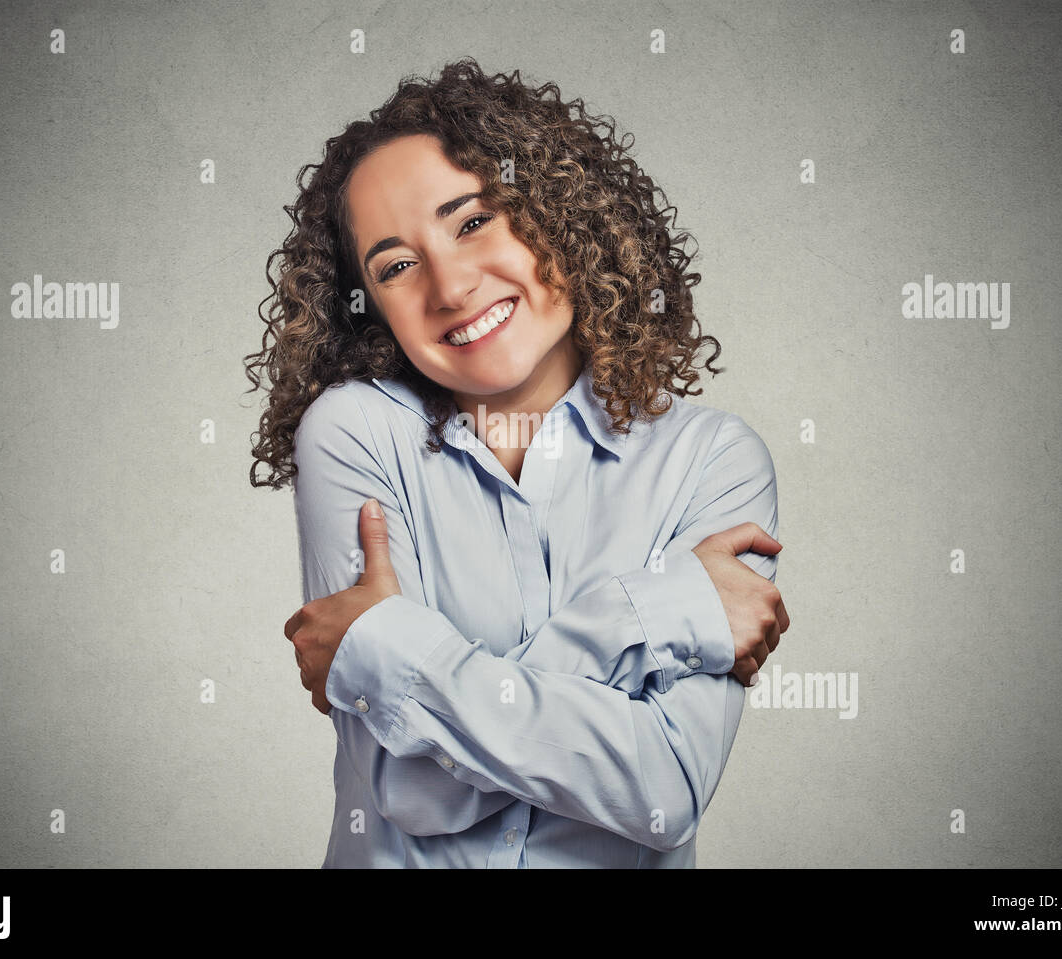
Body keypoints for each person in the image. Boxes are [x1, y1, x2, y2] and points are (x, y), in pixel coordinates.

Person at [245, 59, 790, 867]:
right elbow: (414, 791)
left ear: (559, 214)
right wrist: (655, 614)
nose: (451, 285)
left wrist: (399, 660)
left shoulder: (711, 461)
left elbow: (663, 792)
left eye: (472, 222)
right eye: (396, 265)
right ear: (368, 308)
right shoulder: (352, 433)